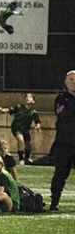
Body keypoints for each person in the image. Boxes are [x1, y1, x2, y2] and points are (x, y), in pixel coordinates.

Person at [51, 70, 75, 212]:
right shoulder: (61, 98)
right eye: (71, 80)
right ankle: (54, 202)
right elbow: (63, 114)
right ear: (66, 82)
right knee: (60, 173)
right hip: (64, 143)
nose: (73, 82)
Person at [0, 94, 41, 164]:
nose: (27, 98)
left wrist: (37, 126)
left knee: (28, 144)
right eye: (26, 96)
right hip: (16, 128)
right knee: (21, 140)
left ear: (33, 101)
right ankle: (21, 159)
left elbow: (37, 121)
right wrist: (2, 110)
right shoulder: (19, 107)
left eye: (30, 97)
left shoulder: (34, 112)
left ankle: (27, 158)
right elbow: (9, 110)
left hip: (25, 130)